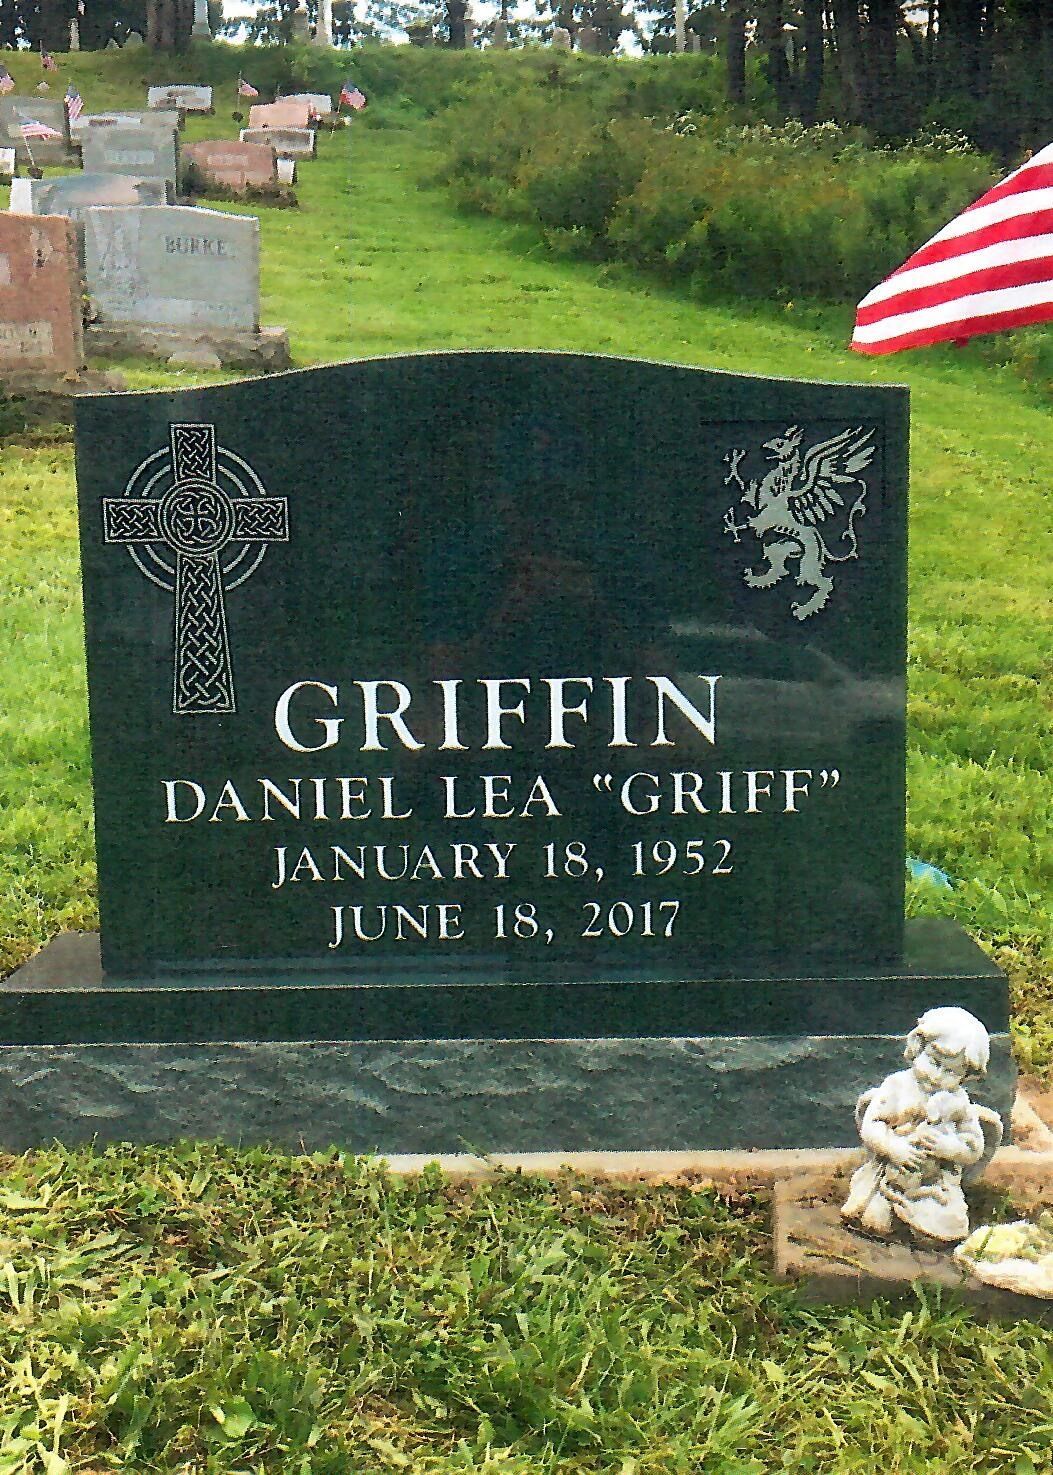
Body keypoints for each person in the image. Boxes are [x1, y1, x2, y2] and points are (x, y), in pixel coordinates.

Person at [841, 1007, 1002, 1244]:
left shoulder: (959, 1103)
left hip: (933, 1186)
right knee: (875, 1221)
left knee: (940, 1228)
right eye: (934, 1061)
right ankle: (890, 1219)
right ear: (918, 1048)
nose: (937, 1076)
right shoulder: (897, 1085)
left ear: (966, 1076)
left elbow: (974, 1147)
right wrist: (893, 1148)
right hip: (889, 1177)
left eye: (950, 1071)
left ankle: (922, 1231)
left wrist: (950, 1147)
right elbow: (871, 1124)